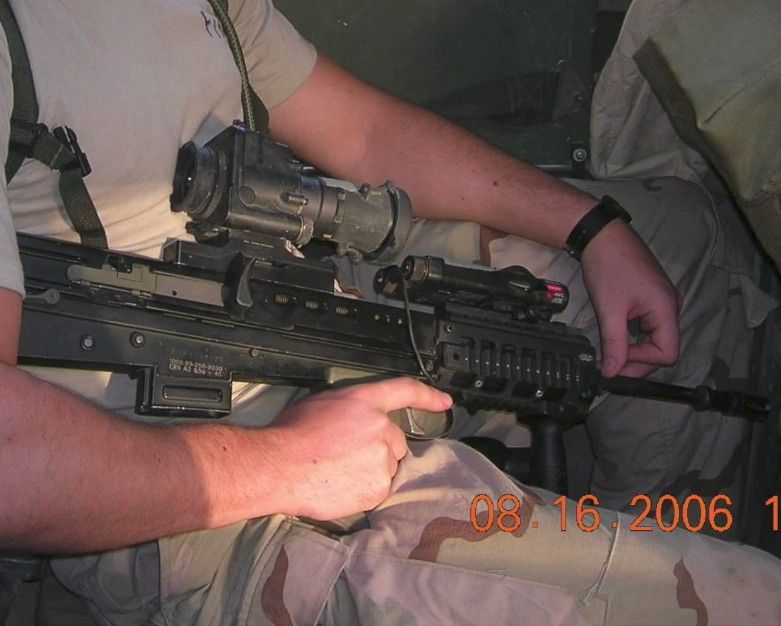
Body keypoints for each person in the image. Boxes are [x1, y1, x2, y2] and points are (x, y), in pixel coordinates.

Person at [0, 1, 779, 624]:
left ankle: (638, 535)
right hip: (165, 483)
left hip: (288, 302)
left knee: (675, 238)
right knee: (752, 602)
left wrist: (590, 227)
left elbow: (365, 133)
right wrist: (288, 463)